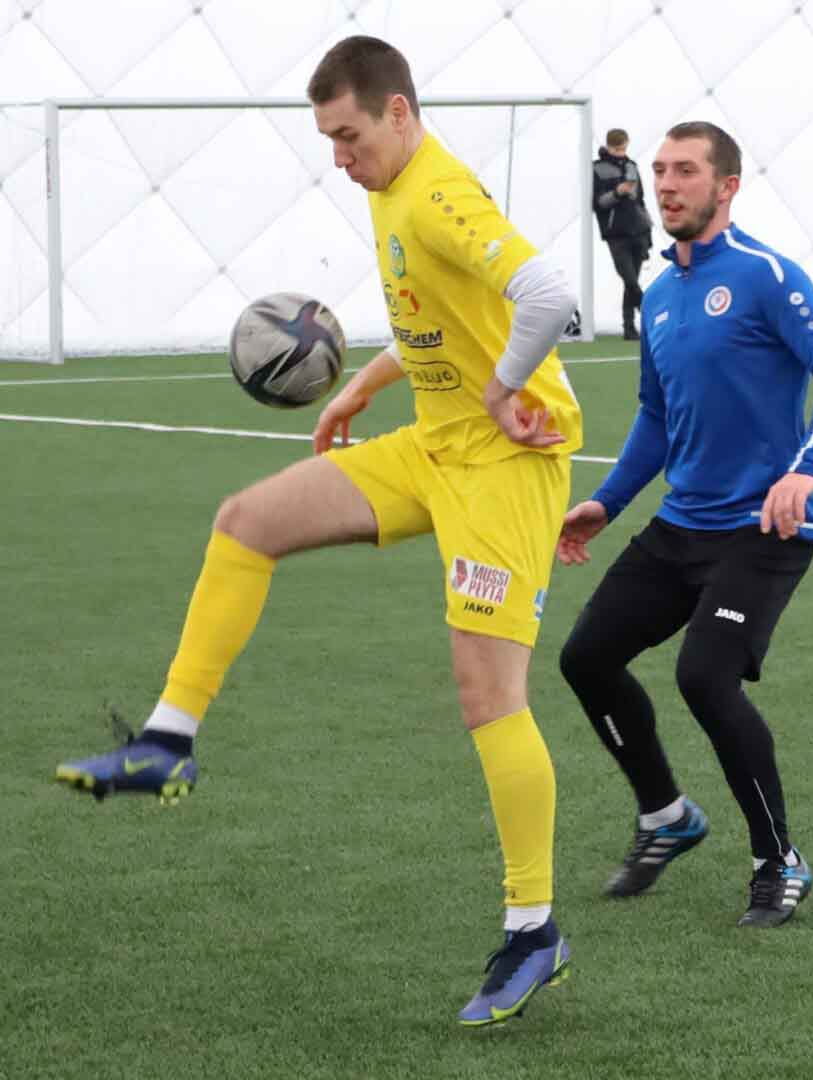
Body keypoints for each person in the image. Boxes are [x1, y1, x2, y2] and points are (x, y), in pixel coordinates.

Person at [55, 36, 582, 1025]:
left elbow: (548, 297)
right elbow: (437, 320)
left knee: (487, 695)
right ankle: (168, 742)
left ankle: (532, 930)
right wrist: (361, 387)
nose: (339, 157)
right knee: (245, 522)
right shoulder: (390, 188)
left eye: (348, 136)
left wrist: (504, 388)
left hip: (506, 464)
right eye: (328, 140)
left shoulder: (436, 193)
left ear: (397, 112)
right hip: (435, 444)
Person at [559, 121, 813, 928]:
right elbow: (655, 418)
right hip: (680, 525)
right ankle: (665, 815)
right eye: (659, 170)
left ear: (725, 186)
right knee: (586, 658)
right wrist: (605, 503)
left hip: (763, 529)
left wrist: (804, 469)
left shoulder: (765, 275)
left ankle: (777, 858)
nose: (665, 184)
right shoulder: (659, 294)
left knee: (703, 677)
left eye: (685, 171)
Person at [592, 129, 652, 341]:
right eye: (617, 149)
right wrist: (618, 192)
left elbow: (641, 199)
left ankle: (629, 327)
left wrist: (648, 229)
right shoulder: (596, 169)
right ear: (608, 146)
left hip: (639, 229)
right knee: (630, 279)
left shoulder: (632, 166)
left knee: (631, 280)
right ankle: (648, 311)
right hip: (615, 233)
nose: (621, 152)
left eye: (624, 148)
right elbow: (597, 203)